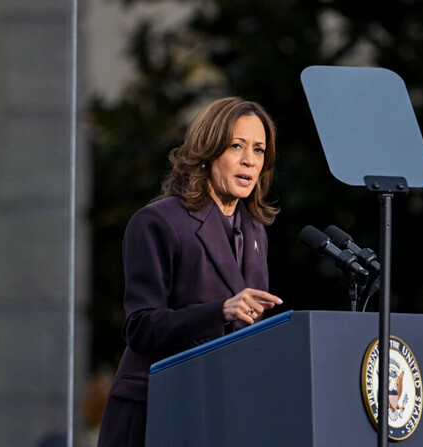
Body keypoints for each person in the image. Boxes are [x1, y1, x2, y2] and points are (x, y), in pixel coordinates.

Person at [96, 97, 284, 447]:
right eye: (236, 146)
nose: (249, 160)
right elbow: (140, 328)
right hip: (157, 409)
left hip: (219, 412)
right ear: (208, 151)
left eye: (259, 150)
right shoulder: (158, 221)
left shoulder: (256, 232)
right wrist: (220, 310)